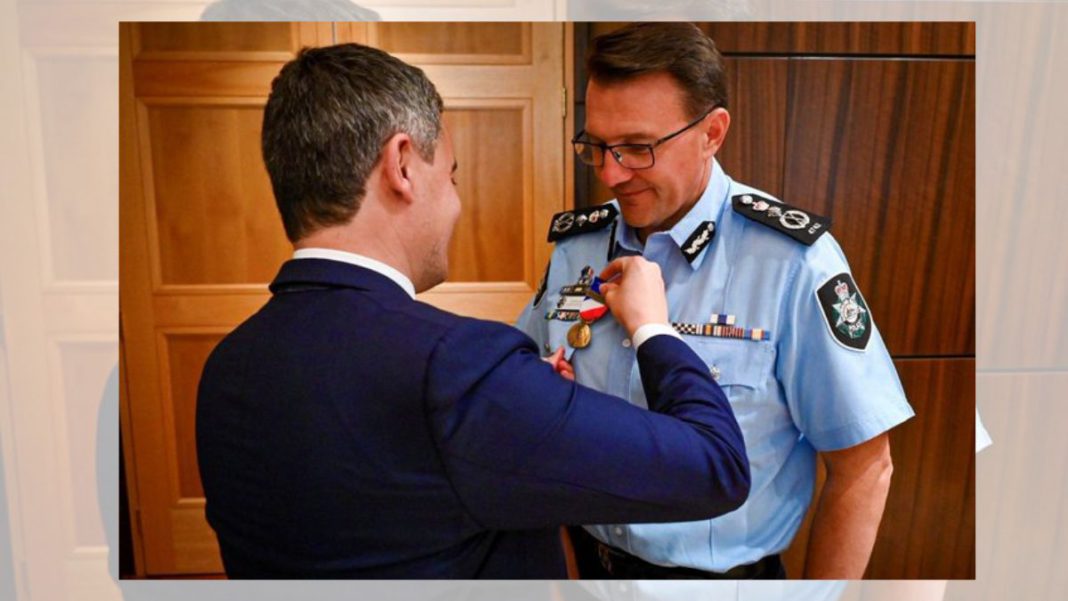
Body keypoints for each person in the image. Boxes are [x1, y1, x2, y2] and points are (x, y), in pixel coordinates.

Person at [195, 42, 751, 579]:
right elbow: (716, 464)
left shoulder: (226, 368)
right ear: (403, 165)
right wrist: (653, 330)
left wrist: (524, 396)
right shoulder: (459, 366)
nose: (456, 202)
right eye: (452, 174)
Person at [517, 22, 915, 579]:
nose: (610, 173)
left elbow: (865, 467)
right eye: (598, 146)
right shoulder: (576, 248)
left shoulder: (791, 262)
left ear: (712, 133)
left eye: (637, 148)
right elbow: (529, 399)